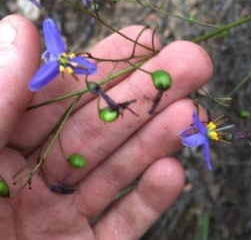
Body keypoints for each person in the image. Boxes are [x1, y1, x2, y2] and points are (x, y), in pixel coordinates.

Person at [0, 14, 212, 239]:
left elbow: (85, 67)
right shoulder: (60, 67)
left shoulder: (70, 64)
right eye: (60, 61)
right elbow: (41, 78)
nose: (64, 62)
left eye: (63, 60)